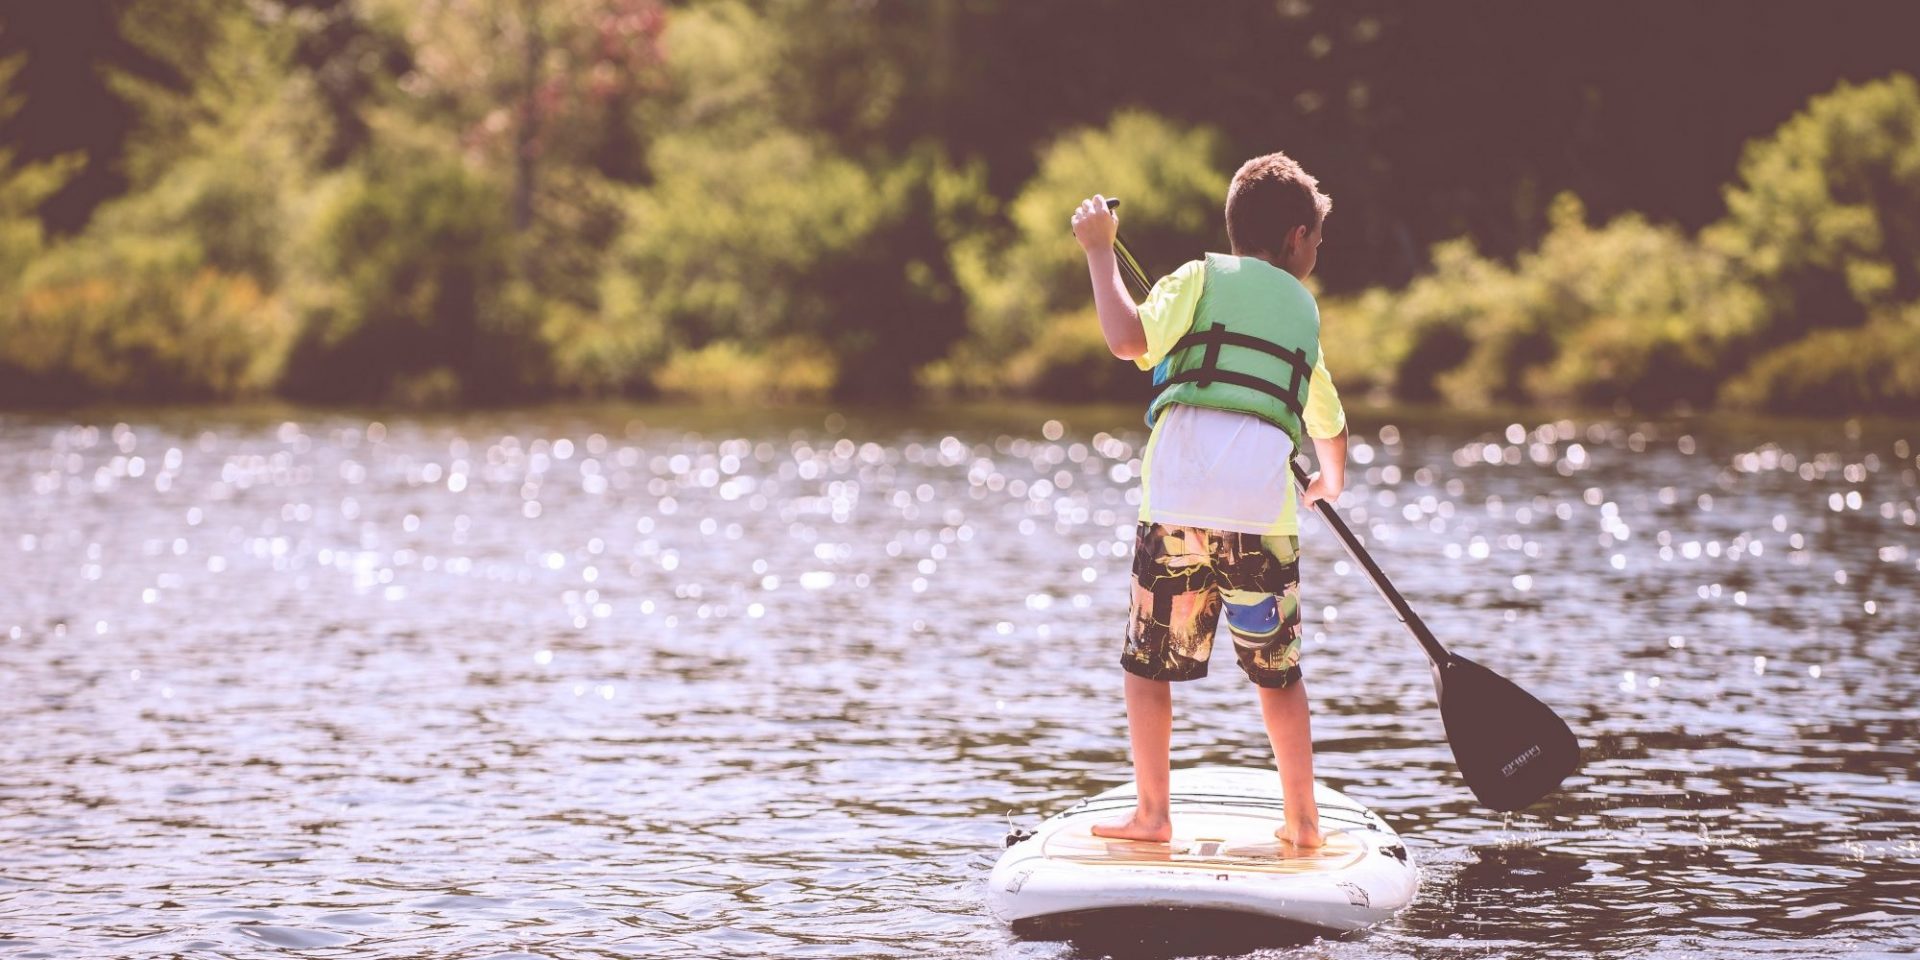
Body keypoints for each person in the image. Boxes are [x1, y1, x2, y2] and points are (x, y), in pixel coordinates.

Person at [1068, 151, 1349, 851]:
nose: (1316, 248)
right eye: (1315, 235)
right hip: (1261, 519)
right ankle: (1305, 823)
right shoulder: (1303, 313)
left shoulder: (1197, 278)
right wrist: (1330, 480)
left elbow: (1126, 337)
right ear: (1295, 238)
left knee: (1148, 666)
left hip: (1177, 510)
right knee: (1278, 677)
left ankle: (1153, 815)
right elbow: (1327, 420)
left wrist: (1100, 254)